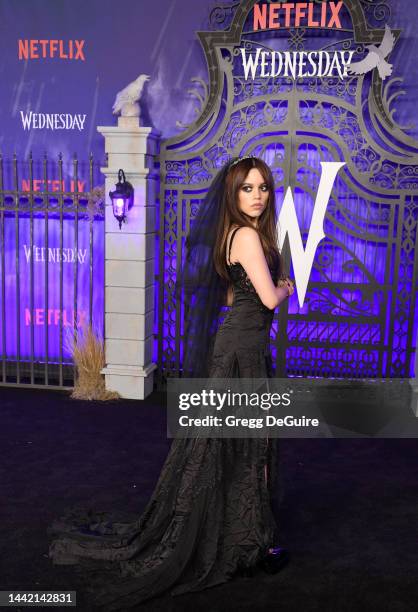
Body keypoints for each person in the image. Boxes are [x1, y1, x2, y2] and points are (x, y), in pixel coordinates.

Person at [48, 156, 294, 610]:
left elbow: (229, 293)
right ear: (233, 193)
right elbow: (266, 300)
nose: (257, 195)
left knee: (230, 441)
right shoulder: (247, 235)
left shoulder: (234, 236)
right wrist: (286, 286)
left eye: (262, 187)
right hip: (242, 351)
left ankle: (246, 535)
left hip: (239, 346)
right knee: (245, 442)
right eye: (247, 188)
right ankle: (249, 542)